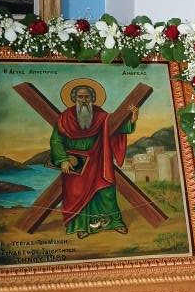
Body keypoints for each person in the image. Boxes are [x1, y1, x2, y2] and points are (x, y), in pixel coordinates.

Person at [50, 80, 139, 240]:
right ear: (74, 98)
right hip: (75, 163)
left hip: (99, 160)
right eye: (80, 97)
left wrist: (132, 119)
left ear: (92, 98)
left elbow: (117, 127)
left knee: (106, 192)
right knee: (77, 194)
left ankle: (115, 222)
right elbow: (56, 140)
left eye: (87, 96)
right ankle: (82, 226)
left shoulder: (101, 116)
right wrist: (63, 159)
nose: (84, 100)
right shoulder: (64, 118)